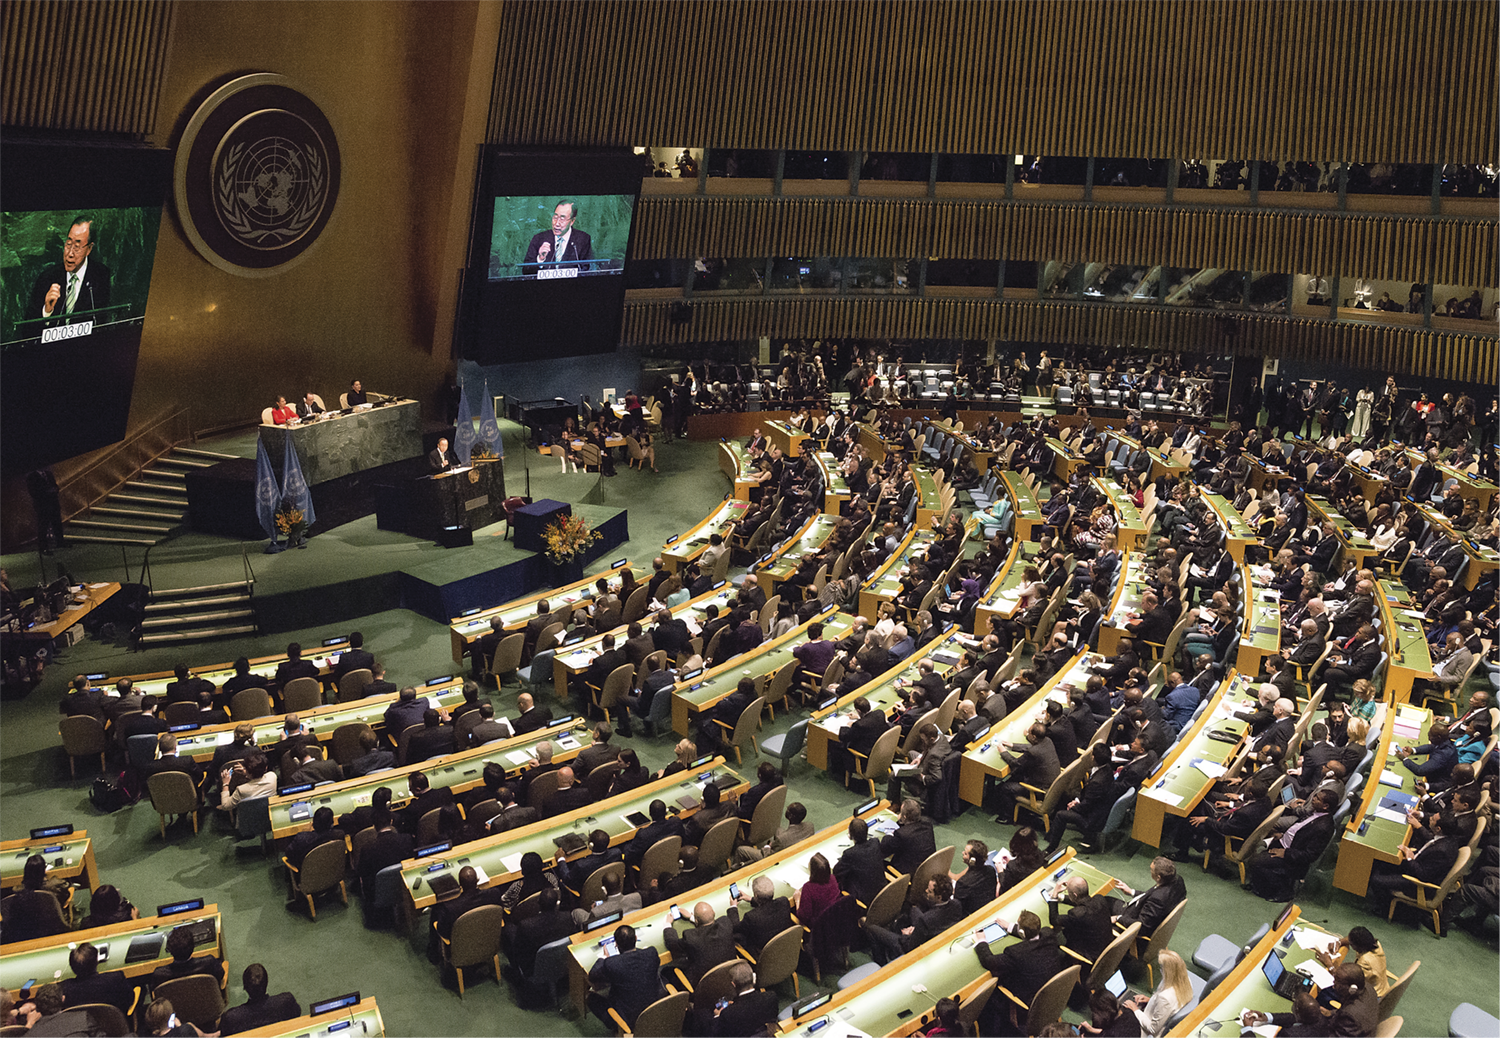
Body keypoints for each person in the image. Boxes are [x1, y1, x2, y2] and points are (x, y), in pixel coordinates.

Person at [1244, 963, 1376, 1038]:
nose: (1333, 985)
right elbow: (1306, 1019)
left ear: (1351, 988)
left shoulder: (1351, 1015)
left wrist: (1247, 1030)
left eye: (1338, 982)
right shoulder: (1367, 988)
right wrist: (1268, 1018)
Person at [29, 215, 110, 321]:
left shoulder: (101, 276)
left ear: (89, 249)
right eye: (68, 244)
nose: (70, 253)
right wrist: (47, 311)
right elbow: (28, 328)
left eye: (77, 247)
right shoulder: (47, 278)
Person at [587, 925, 666, 1030]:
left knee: (591, 999)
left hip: (628, 1021)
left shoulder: (611, 963)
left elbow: (592, 976)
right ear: (636, 938)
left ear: (616, 944)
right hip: (653, 1010)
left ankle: (617, 1030)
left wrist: (604, 957)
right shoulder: (651, 953)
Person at [662, 901, 737, 986]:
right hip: (731, 978)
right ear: (714, 913)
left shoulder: (690, 937)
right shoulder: (726, 924)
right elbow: (712, 923)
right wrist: (691, 917)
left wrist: (667, 924)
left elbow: (672, 944)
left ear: (696, 920)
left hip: (704, 985)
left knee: (666, 971)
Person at [0, 856, 67, 944]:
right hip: (50, 935)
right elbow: (62, 923)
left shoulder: (15, 893)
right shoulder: (51, 892)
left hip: (22, 939)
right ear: (43, 870)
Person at [218, 964, 300, 1035]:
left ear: (245, 988)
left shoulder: (231, 1018)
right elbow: (297, 1014)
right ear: (266, 982)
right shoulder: (287, 1002)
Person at [1127, 949, 1192, 1035]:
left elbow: (1152, 1029)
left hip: (1146, 1031)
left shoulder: (1165, 997)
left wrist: (1135, 1010)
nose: (1160, 970)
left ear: (1168, 972)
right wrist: (1150, 1000)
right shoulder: (1185, 980)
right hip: (1158, 1015)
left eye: (1161, 968)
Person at [710, 961, 779, 1038]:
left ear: (733, 984)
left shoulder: (727, 1014)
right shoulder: (771, 997)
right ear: (754, 979)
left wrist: (717, 1016)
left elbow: (719, 1034)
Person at [58, 942, 133, 1012]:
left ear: (72, 967)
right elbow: (129, 1000)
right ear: (96, 961)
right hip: (116, 1024)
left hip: (81, 1026)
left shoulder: (64, 989)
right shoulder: (116, 979)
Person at [523, 200, 594, 274]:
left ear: (572, 221)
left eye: (562, 218)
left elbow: (586, 270)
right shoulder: (539, 239)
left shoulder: (583, 239)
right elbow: (526, 271)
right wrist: (540, 259)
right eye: (555, 217)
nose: (556, 223)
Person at [150, 924, 226, 987]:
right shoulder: (210, 963)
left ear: (169, 950)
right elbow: (220, 975)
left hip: (174, 1006)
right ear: (193, 946)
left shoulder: (159, 975)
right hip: (209, 1004)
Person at [833, 817, 887, 904]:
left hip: (865, 900)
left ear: (850, 836)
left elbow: (836, 872)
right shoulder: (875, 842)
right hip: (883, 891)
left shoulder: (849, 854)